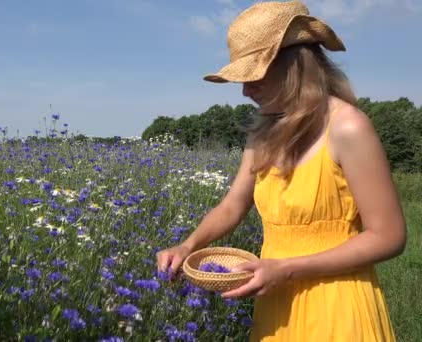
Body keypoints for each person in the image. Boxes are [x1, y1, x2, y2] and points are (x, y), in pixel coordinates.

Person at [156, 1, 407, 341]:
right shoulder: (263, 134)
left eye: (254, 76)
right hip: (275, 303)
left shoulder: (347, 127)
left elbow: (389, 236)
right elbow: (232, 205)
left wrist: (288, 269)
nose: (245, 91)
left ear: (294, 65)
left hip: (336, 305)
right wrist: (188, 245)